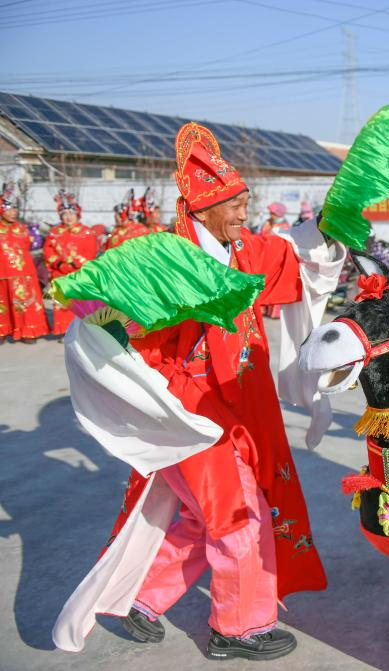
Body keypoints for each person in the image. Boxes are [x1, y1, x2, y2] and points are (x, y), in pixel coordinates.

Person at [76, 123, 344, 660]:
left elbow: (294, 255)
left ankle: (140, 596)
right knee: (238, 515)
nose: (245, 213)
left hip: (238, 411)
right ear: (204, 209)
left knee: (206, 516)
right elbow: (122, 335)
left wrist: (335, 219)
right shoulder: (165, 263)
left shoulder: (241, 249)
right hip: (190, 417)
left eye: (245, 202)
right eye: (236, 205)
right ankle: (237, 628)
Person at [43, 190, 103, 336]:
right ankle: (64, 331)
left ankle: (83, 332)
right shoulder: (54, 233)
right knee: (62, 303)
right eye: (64, 214)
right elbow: (48, 251)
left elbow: (90, 252)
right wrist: (59, 264)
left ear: (78, 215)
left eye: (71, 213)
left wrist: (75, 264)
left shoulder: (87, 232)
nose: (68, 217)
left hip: (79, 274)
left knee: (80, 303)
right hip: (60, 274)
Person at [0, 182, 50, 343]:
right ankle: (3, 330)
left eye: (15, 209)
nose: (13, 212)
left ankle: (28, 332)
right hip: (2, 273)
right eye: (9, 209)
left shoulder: (22, 229)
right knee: (3, 304)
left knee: (25, 303)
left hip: (23, 274)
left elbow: (29, 246)